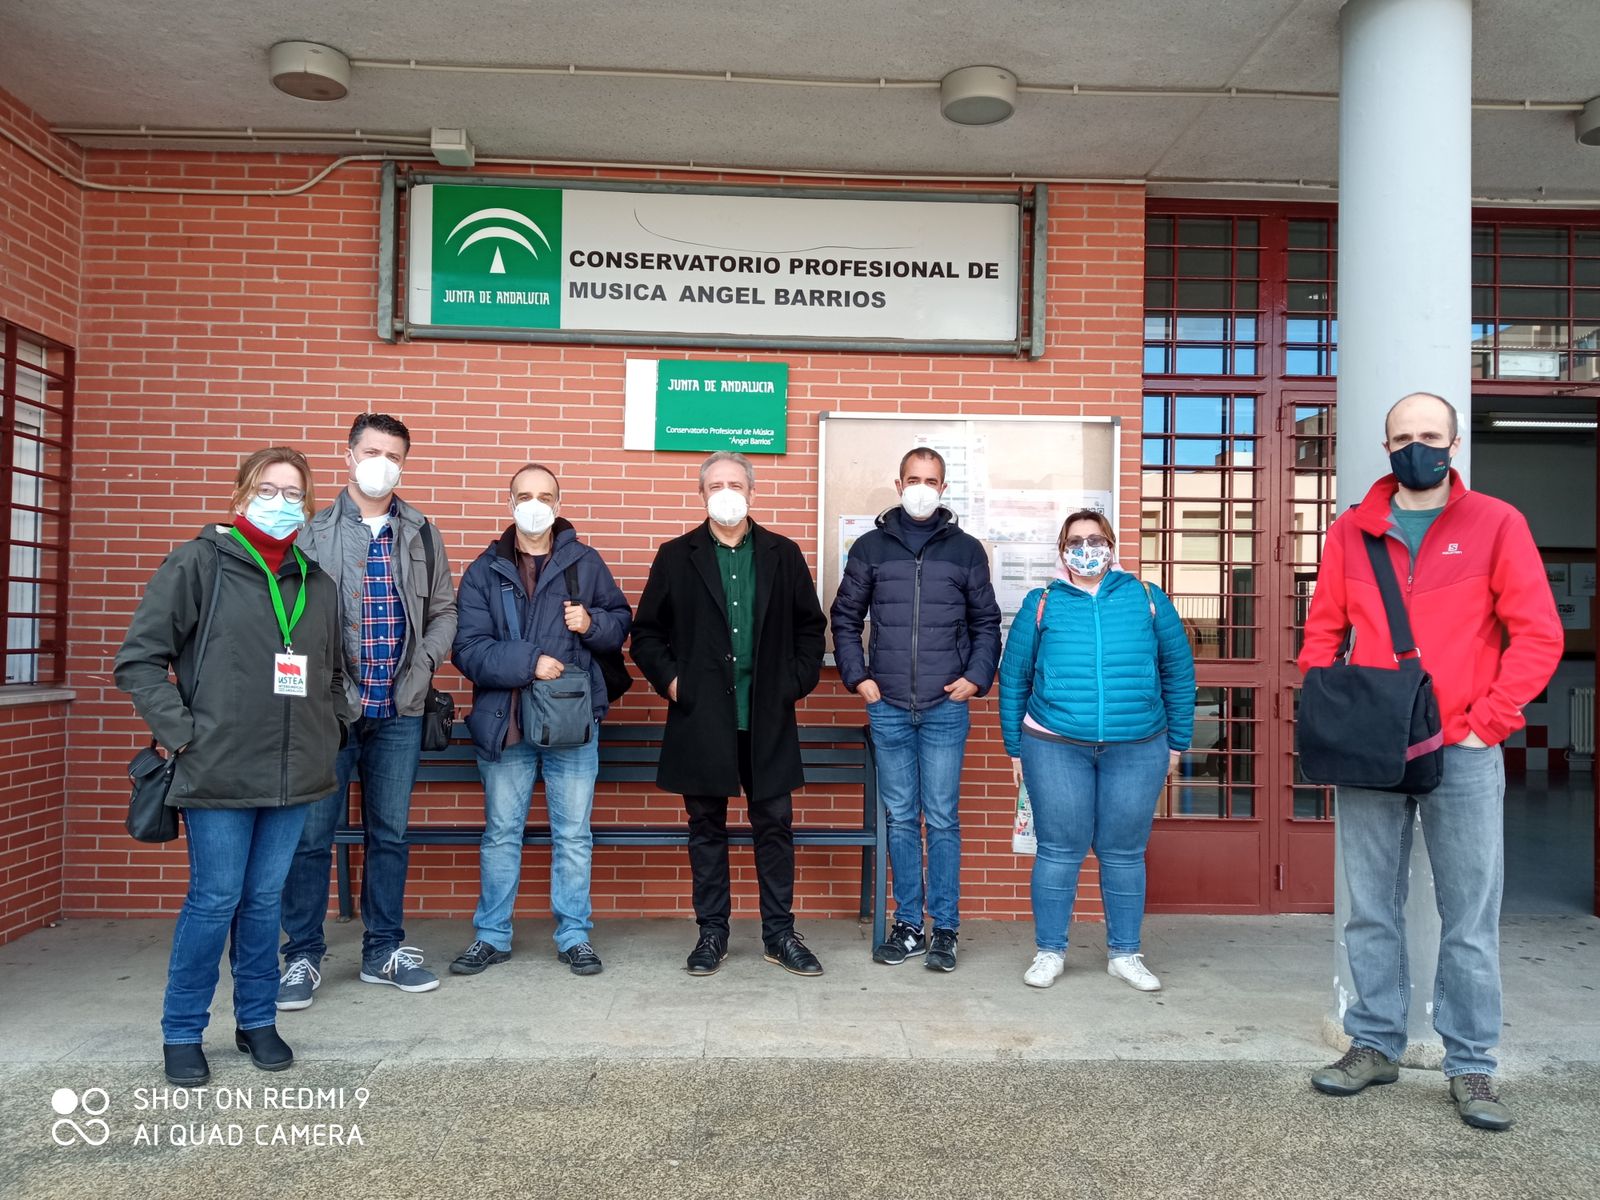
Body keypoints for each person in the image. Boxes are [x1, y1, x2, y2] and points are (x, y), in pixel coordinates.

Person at [1300, 391, 1561, 1132]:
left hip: (1462, 750)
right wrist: (1327, 712)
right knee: (1368, 907)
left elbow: (1537, 634)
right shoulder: (1353, 531)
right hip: (1372, 752)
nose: (1416, 446)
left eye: (1429, 434)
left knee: (1469, 914)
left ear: (1453, 443)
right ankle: (1375, 1043)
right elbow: (1324, 633)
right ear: (1387, 447)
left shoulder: (1496, 524)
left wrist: (1489, 723)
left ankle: (1472, 1063)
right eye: (1403, 436)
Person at [115, 447, 347, 1087]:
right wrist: (184, 734)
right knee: (215, 901)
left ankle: (257, 1020)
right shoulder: (199, 564)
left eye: (294, 492)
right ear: (242, 496)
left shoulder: (315, 581)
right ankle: (183, 1031)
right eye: (268, 489)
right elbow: (138, 661)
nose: (282, 502)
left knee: (265, 901)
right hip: (217, 772)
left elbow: (330, 673)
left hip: (296, 775)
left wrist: (332, 727)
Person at [278, 413, 458, 1008]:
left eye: (394, 454)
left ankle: (384, 949)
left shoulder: (422, 532)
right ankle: (301, 956)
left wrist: (425, 666)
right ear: (349, 455)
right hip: (329, 713)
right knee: (309, 837)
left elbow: (444, 612)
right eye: (372, 450)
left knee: (390, 834)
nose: (383, 462)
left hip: (399, 708)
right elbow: (286, 619)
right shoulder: (310, 531)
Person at [630, 451, 828, 977]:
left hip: (766, 718)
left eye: (735, 483)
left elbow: (811, 628)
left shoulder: (783, 554)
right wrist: (675, 684)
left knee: (774, 825)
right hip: (702, 719)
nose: (725, 491)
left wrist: (794, 682)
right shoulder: (676, 555)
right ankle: (712, 932)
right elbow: (647, 633)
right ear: (702, 495)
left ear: (752, 492)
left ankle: (779, 934)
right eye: (715, 484)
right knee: (706, 828)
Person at [997, 510, 1195, 994]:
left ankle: (1125, 953)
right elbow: (1014, 677)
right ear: (1062, 550)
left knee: (1124, 853)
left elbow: (1179, 672)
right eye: (1076, 540)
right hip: (1054, 744)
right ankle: (1050, 951)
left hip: (1138, 745)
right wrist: (1015, 748)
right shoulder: (1040, 602)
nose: (1087, 548)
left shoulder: (1147, 599)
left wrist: (1177, 743)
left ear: (1111, 544)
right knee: (1059, 852)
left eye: (1096, 539)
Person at [448, 464, 632, 977]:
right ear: (509, 502)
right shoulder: (485, 569)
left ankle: (574, 935)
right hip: (505, 725)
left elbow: (619, 625)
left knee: (573, 835)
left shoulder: (585, 562)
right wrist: (529, 662)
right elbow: (467, 649)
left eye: (544, 495)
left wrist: (592, 623)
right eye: (524, 495)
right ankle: (491, 934)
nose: (534, 503)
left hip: (571, 724)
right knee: (501, 834)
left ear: (558, 502)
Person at [830, 447, 1001, 971]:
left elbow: (986, 623)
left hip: (945, 705)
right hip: (889, 707)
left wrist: (976, 677)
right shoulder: (870, 547)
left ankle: (944, 928)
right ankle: (908, 925)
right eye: (913, 479)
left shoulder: (967, 550)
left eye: (931, 479)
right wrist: (857, 677)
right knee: (902, 817)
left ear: (944, 488)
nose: (922, 487)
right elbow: (844, 617)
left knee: (943, 818)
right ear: (898, 484)